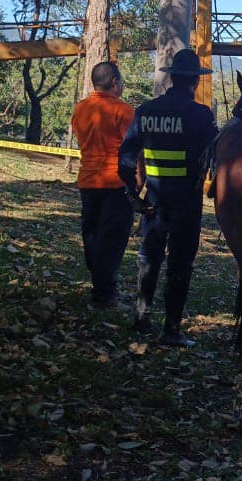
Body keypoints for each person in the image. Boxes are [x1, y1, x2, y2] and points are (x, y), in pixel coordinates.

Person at [118, 48, 218, 347]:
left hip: (153, 200)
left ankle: (140, 316)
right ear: (195, 83)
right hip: (186, 203)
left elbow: (125, 159)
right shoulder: (201, 115)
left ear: (172, 78)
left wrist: (133, 195)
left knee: (149, 257)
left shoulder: (145, 110)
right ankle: (171, 330)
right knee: (180, 263)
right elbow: (214, 156)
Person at [71, 61, 135, 309]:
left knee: (92, 234)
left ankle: (101, 284)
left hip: (88, 180)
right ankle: (104, 295)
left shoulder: (80, 109)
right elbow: (131, 150)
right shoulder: (124, 111)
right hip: (116, 183)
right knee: (113, 240)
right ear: (115, 83)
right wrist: (139, 180)